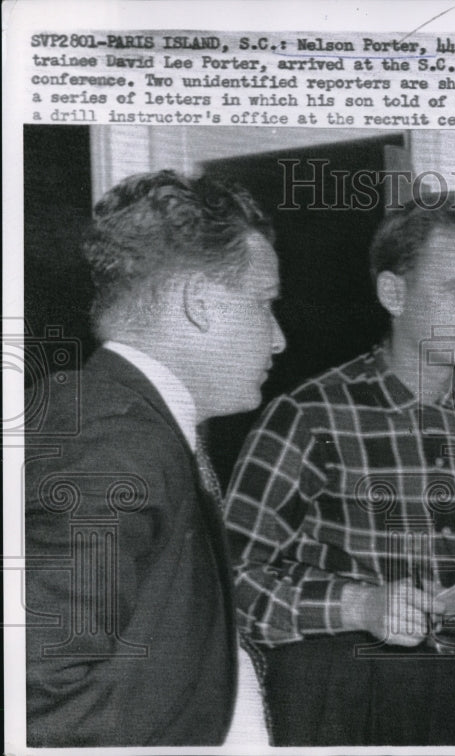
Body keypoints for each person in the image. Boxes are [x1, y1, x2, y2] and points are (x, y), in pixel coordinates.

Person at [224, 200, 455, 746]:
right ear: (393, 294)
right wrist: (361, 605)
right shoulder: (309, 415)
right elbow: (227, 581)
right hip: (332, 690)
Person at [25, 170, 285, 746]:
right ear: (199, 303)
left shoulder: (128, 421)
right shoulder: (113, 442)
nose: (278, 339)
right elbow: (34, 691)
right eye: (265, 305)